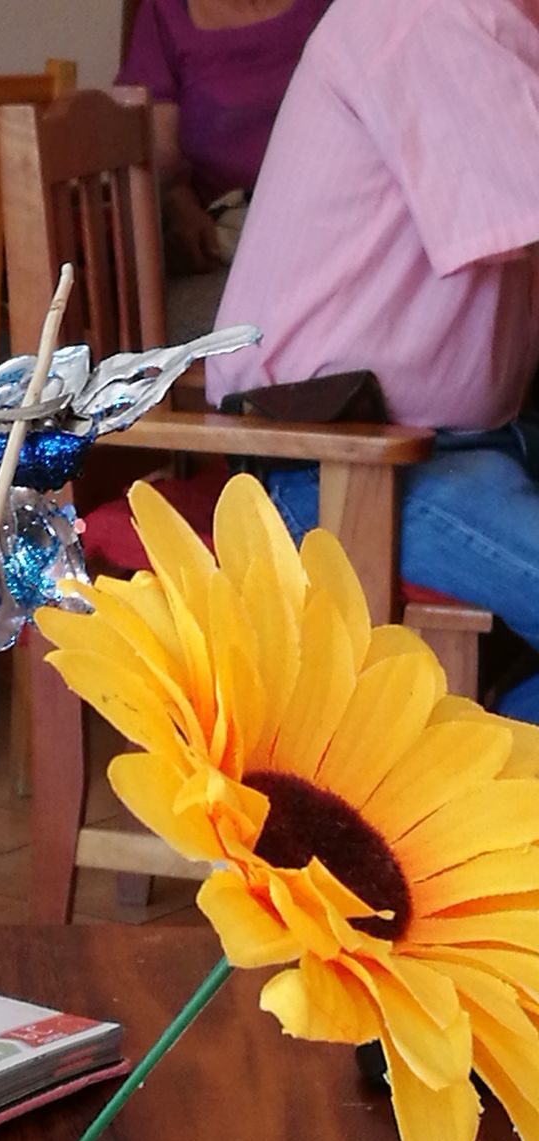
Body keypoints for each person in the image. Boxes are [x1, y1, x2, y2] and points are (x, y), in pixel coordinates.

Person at [204, 0, 539, 722]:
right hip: (341, 465)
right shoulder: (424, 15)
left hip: (459, 448)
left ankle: (490, 794)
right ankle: (489, 803)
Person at [117, 0, 331, 277]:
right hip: (220, 237)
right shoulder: (164, 11)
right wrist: (178, 203)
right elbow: (158, 151)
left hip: (323, 223)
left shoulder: (332, 8)